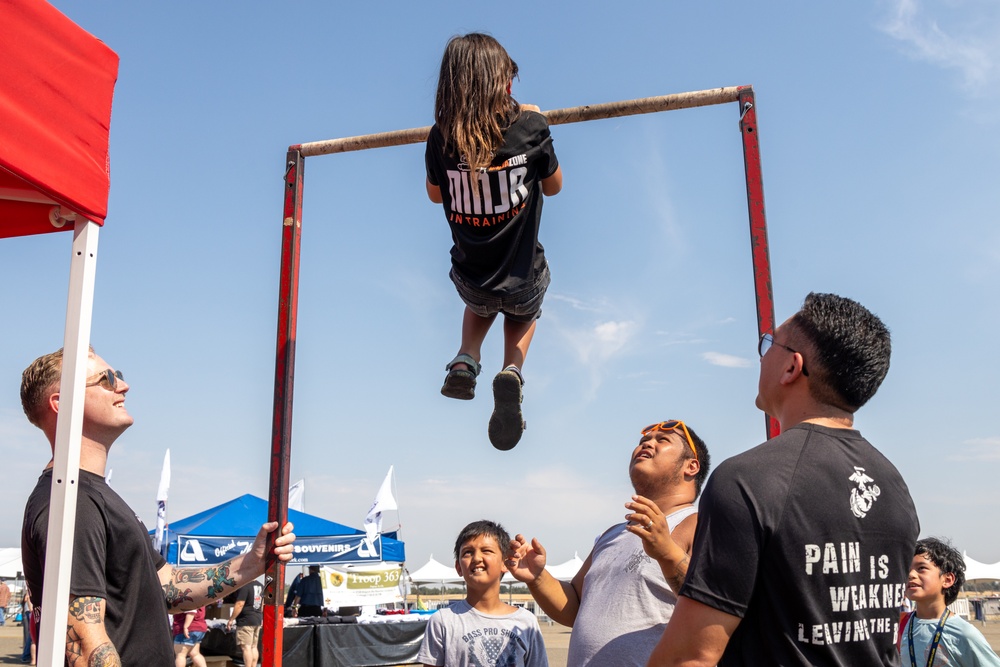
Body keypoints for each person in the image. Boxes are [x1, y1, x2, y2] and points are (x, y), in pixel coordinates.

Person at [648, 292, 920, 666]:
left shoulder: (747, 479)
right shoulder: (893, 483)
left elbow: (690, 656)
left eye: (769, 344)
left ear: (792, 367)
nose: (762, 356)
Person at [19, 347, 297, 666]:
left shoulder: (93, 494)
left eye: (119, 376)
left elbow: (167, 587)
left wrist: (251, 563)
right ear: (62, 403)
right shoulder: (70, 498)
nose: (123, 386)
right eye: (106, 379)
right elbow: (84, 647)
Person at [425, 32, 563, 451]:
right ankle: (512, 370)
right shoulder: (530, 127)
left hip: (470, 277)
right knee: (523, 303)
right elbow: (554, 186)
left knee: (480, 299)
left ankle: (467, 355)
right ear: (501, 84)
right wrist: (535, 125)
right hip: (522, 279)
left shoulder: (440, 138)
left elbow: (435, 194)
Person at [508, 419, 710, 666]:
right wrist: (538, 577)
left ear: (691, 466)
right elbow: (574, 608)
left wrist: (667, 552)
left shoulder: (698, 524)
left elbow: (710, 605)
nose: (647, 443)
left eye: (663, 440)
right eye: (643, 441)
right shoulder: (612, 535)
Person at [417, 520, 548, 667]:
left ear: (505, 563)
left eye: (487, 551)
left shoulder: (526, 622)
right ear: (458, 567)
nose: (477, 558)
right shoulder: (443, 621)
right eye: (468, 552)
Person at [899, 537, 1000, 666]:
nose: (911, 574)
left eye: (921, 568)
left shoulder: (963, 633)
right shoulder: (899, 625)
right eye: (907, 568)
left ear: (947, 580)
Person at [227, 579, 263, 667]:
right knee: (253, 646)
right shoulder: (261, 586)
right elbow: (262, 604)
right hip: (257, 618)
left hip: (246, 620)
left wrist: (231, 619)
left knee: (246, 647)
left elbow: (240, 604)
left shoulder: (245, 585)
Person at [21, 589, 36, 665]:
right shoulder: (32, 589)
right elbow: (27, 598)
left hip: (30, 612)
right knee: (31, 637)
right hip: (31, 612)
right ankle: (26, 656)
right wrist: (31, 609)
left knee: (31, 637)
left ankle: (27, 656)